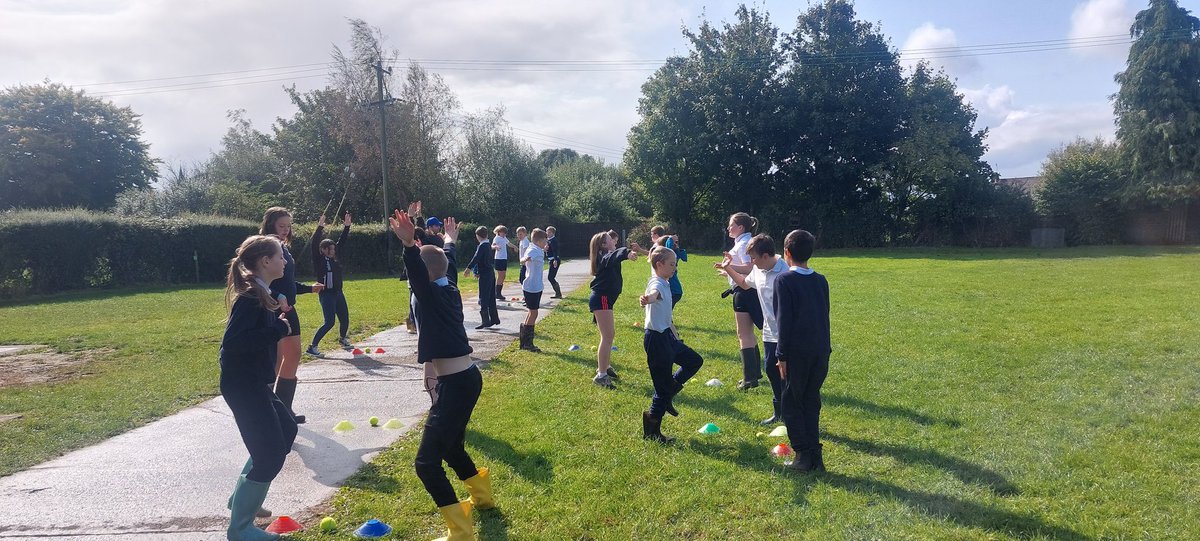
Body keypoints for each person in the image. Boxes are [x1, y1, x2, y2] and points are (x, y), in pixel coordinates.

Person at [388, 210, 494, 540]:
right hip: (467, 378)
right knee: (451, 447)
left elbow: (422, 271)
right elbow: (444, 257)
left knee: (426, 464)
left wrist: (408, 243)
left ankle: (460, 532)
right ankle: (483, 497)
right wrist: (449, 239)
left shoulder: (429, 293)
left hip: (456, 384)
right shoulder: (447, 286)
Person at [219, 235, 295, 541]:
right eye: (280, 256)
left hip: (252, 383)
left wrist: (275, 322)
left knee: (287, 429)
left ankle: (242, 498)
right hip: (243, 385)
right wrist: (278, 328)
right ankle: (239, 530)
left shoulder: (261, 293)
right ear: (265, 262)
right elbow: (234, 343)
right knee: (269, 455)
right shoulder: (251, 297)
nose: (285, 261)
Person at [773, 229, 831, 472]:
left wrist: (781, 355)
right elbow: (824, 315)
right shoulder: (821, 280)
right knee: (810, 399)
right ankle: (814, 454)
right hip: (820, 350)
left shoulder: (784, 280)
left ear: (786, 253)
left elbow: (783, 321)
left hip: (796, 353)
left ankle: (803, 455)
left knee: (791, 402)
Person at [260, 207, 323, 425]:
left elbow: (286, 282)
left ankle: (284, 409)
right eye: (281, 226)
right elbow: (258, 280)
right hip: (271, 309)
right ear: (270, 224)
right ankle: (267, 411)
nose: (286, 230)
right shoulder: (265, 246)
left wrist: (308, 289)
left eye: (288, 226)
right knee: (274, 361)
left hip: (289, 309)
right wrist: (277, 296)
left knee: (294, 355)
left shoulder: (283, 248)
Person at [719, 234, 789, 425]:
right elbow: (743, 283)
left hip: (788, 333)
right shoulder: (758, 271)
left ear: (766, 256)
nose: (752, 262)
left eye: (754, 258)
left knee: (788, 375)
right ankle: (779, 412)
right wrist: (728, 268)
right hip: (769, 333)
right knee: (771, 370)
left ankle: (793, 412)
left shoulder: (787, 271)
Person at [639, 246, 704, 443]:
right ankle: (652, 431)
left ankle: (669, 393)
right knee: (661, 388)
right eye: (671, 264)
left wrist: (676, 336)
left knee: (694, 361)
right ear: (659, 265)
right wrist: (646, 299)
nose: (675, 268)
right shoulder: (657, 283)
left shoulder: (664, 281)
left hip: (668, 336)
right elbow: (653, 295)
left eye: (675, 264)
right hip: (656, 340)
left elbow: (666, 315)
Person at [714, 212, 763, 391]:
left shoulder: (744, 244)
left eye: (731, 225)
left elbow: (750, 268)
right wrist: (728, 272)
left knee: (744, 334)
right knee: (749, 332)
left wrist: (727, 266)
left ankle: (749, 379)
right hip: (746, 290)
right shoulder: (744, 242)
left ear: (741, 227)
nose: (728, 228)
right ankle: (755, 374)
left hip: (744, 292)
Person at [588, 230, 641, 388]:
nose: (613, 240)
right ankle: (601, 376)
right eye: (610, 239)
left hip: (604, 300)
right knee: (608, 336)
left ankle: (605, 366)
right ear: (603, 244)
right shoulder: (604, 257)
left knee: (608, 336)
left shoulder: (605, 256)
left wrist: (625, 254)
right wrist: (626, 253)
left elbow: (613, 256)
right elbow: (613, 256)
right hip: (602, 299)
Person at [306, 212, 353, 356]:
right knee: (329, 322)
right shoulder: (319, 259)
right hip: (326, 294)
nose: (333, 251)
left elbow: (342, 241)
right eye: (330, 249)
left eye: (333, 248)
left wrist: (347, 226)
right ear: (323, 250)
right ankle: (312, 347)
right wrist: (320, 227)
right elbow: (314, 243)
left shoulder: (334, 257)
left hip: (338, 293)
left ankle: (343, 338)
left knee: (344, 318)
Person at [465, 226, 500, 330]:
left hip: (485, 274)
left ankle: (485, 320)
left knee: (484, 296)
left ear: (477, 236)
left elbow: (476, 258)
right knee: (490, 296)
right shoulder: (488, 244)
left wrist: (469, 268)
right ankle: (494, 318)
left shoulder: (482, 246)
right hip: (490, 272)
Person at [519, 228, 548, 352]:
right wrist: (525, 259)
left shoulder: (536, 249)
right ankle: (527, 343)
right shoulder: (534, 250)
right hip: (532, 287)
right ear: (539, 240)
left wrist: (526, 259)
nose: (545, 244)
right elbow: (524, 259)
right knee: (534, 313)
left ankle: (525, 341)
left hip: (535, 286)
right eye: (544, 241)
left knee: (532, 313)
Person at [650, 226, 687, 307]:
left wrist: (670, 239)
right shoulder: (674, 254)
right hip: (675, 290)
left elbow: (668, 249)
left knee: (665, 311)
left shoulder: (670, 255)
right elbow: (684, 257)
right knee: (666, 311)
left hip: (673, 291)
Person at [492, 225, 514, 300]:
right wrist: (496, 247)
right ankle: (497, 293)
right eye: (503, 232)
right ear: (499, 232)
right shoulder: (497, 238)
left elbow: (509, 244)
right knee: (500, 275)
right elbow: (493, 245)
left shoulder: (504, 238)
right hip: (498, 259)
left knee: (503, 276)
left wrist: (515, 247)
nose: (504, 234)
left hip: (504, 258)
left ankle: (498, 292)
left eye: (505, 233)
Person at [545, 226, 563, 298]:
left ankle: (558, 294)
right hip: (551, 260)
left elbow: (555, 251)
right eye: (547, 232)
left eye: (549, 232)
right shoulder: (549, 240)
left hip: (554, 260)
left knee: (551, 277)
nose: (547, 233)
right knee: (550, 277)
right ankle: (558, 293)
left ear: (553, 233)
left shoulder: (553, 240)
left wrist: (555, 260)